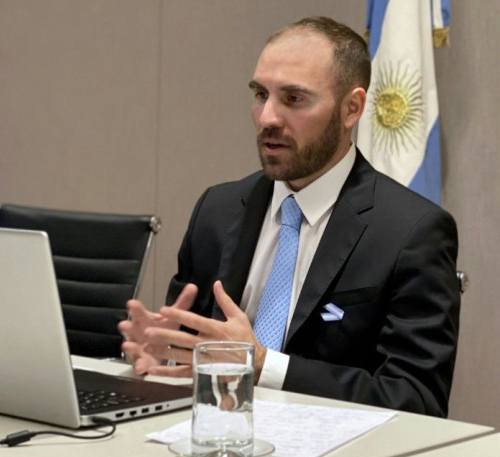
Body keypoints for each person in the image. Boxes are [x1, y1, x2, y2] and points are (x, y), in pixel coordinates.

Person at [118, 16, 459, 418]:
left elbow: (417, 401)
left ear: (352, 109)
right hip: (215, 446)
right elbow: (192, 350)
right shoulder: (217, 208)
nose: (267, 119)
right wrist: (161, 352)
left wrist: (263, 365)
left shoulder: (410, 232)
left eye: (293, 99)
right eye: (261, 94)